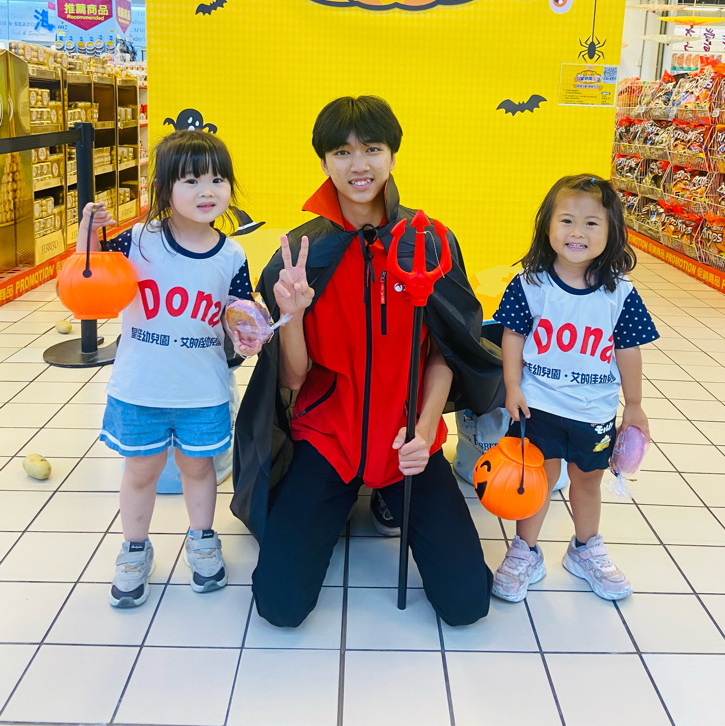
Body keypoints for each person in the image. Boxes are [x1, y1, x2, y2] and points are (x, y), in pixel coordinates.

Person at [232, 95, 504, 628]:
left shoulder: (430, 241)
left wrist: (424, 430)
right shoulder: (301, 252)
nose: (359, 165)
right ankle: (344, 499)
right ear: (324, 162)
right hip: (327, 441)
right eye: (342, 152)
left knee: (467, 603)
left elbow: (446, 351)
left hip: (406, 444)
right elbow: (292, 379)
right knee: (280, 606)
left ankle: (381, 494)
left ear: (393, 156)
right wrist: (292, 315)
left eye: (372, 149)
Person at [80, 130, 260, 608]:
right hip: (140, 388)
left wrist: (251, 330)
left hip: (203, 391)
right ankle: (134, 550)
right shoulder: (138, 241)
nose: (207, 191)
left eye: (217, 179)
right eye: (191, 180)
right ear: (163, 188)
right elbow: (89, 277)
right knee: (140, 471)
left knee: (199, 469)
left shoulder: (232, 254)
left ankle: (202, 540)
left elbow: (239, 314)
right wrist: (88, 232)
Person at [491, 174, 658, 603]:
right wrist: (512, 386)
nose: (577, 232)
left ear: (611, 231)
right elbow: (512, 335)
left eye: (591, 223)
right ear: (547, 225)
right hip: (538, 406)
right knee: (538, 480)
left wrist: (634, 405)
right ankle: (525, 551)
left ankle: (585, 549)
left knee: (587, 481)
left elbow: (628, 350)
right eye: (566, 220)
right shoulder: (530, 284)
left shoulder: (620, 293)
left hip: (593, 411)